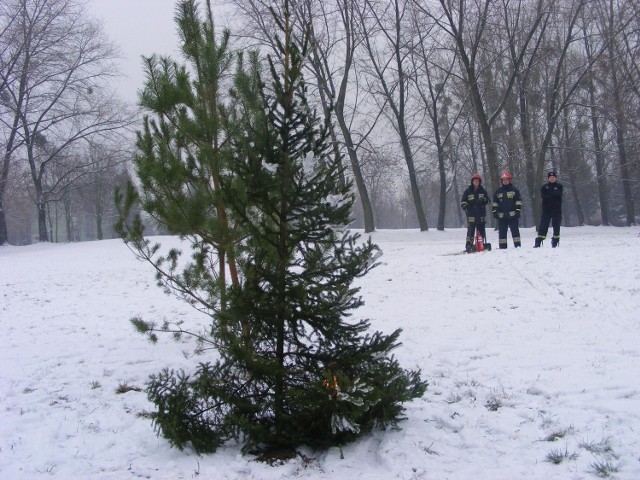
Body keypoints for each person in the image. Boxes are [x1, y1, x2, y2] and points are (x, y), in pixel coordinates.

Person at [492, 171, 523, 249]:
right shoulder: (498, 191)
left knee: (515, 232)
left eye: (507, 179)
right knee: (502, 233)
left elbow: (518, 202)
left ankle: (518, 246)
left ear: (509, 180)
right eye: (503, 180)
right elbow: (495, 203)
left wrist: (518, 211)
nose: (505, 181)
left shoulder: (514, 190)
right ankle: (502, 247)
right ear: (502, 181)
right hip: (501, 216)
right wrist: (494, 212)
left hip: (513, 215)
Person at [461, 173, 490, 253]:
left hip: (481, 215)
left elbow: (488, 200)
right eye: (475, 181)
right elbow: (463, 200)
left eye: (478, 181)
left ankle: (481, 244)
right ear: (472, 181)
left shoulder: (483, 191)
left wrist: (483, 200)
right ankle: (468, 245)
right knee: (470, 232)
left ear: (479, 182)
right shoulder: (468, 191)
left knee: (481, 231)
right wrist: (464, 205)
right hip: (471, 215)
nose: (476, 182)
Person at [534, 171, 563, 248]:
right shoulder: (544, 187)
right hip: (546, 210)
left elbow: (558, 194)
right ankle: (538, 241)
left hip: (556, 210)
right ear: (548, 179)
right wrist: (553, 194)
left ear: (555, 178)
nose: (552, 178)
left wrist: (549, 194)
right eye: (550, 177)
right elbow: (544, 196)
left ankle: (555, 241)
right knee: (543, 225)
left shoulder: (559, 186)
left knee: (556, 226)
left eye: (553, 177)